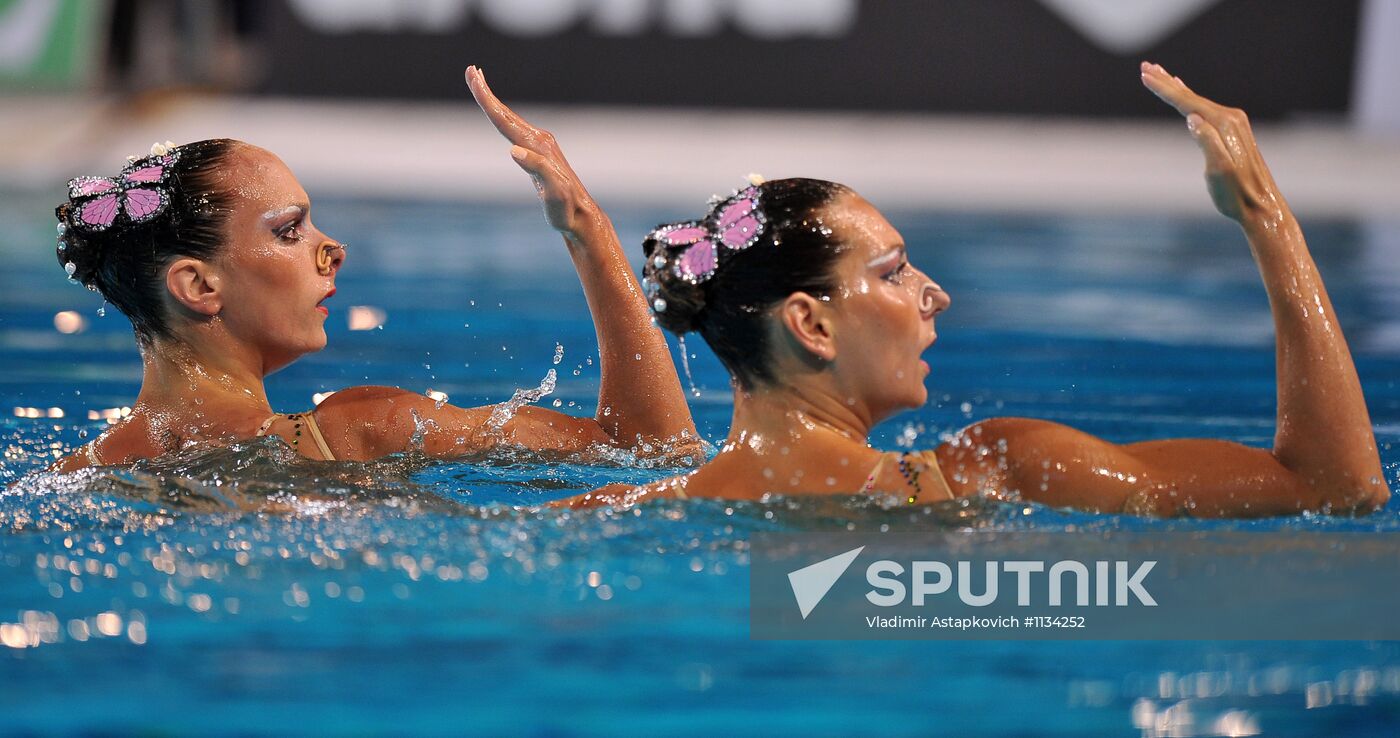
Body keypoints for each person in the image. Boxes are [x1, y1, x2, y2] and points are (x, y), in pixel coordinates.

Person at [567, 63, 1391, 517]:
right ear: (812, 324)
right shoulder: (988, 473)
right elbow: (1337, 488)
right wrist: (1265, 216)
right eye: (893, 273)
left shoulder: (623, 510)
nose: (937, 295)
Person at [46, 67, 698, 471]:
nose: (334, 250)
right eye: (289, 231)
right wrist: (588, 227)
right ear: (197, 285)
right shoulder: (358, 432)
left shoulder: (80, 472)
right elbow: (651, 452)